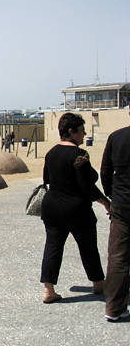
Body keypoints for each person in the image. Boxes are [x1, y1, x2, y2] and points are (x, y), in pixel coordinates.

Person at [39, 113, 109, 303]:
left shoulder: (51, 152)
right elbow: (87, 185)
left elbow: (47, 179)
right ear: (71, 131)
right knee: (88, 246)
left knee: (53, 246)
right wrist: (106, 202)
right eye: (81, 131)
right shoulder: (79, 155)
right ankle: (98, 283)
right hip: (76, 209)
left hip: (52, 207)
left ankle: (48, 290)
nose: (83, 134)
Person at [101, 111, 130, 321]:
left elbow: (105, 171)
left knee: (119, 257)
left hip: (122, 203)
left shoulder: (117, 137)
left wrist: (112, 195)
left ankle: (114, 308)